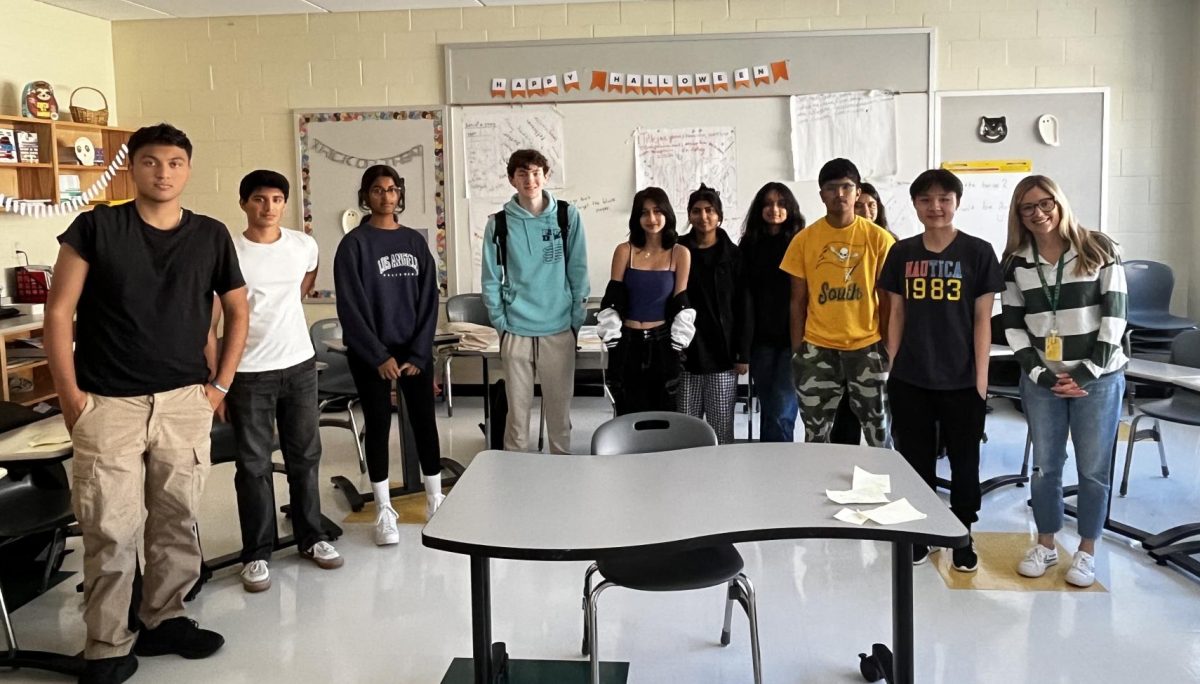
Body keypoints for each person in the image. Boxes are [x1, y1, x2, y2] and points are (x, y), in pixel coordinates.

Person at [45, 123, 247, 684]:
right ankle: (106, 644)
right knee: (111, 527)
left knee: (177, 520)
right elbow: (59, 312)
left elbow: (236, 309)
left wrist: (220, 385)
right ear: (132, 167)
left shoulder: (210, 235)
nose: (163, 173)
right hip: (109, 402)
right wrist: (70, 397)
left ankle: (164, 617)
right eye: (152, 162)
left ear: (188, 169)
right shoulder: (95, 227)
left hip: (184, 400)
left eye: (175, 163)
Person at [220, 169, 342, 594]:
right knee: (252, 465)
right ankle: (256, 553)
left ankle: (312, 537)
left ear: (284, 203)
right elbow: (213, 312)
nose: (267, 206)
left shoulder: (302, 245)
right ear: (243, 203)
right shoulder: (229, 250)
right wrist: (217, 378)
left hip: (299, 366)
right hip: (248, 372)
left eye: (275, 199)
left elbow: (307, 278)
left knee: (305, 456)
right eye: (258, 199)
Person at [1003, 175, 1127, 588]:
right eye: (1027, 208)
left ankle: (1087, 551)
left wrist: (1086, 372)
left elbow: (1115, 317)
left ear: (1059, 202)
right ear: (1018, 215)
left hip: (1098, 379)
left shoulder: (1097, 248)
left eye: (1045, 204)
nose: (1038, 214)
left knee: (1093, 470)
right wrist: (1039, 372)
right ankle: (1046, 544)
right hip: (1043, 381)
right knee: (1045, 467)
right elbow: (1015, 326)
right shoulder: (1017, 261)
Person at [879, 169, 1004, 571]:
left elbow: (983, 319)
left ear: (956, 202)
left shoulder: (978, 252)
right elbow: (895, 313)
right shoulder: (901, 252)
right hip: (911, 377)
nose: (935, 207)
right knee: (915, 461)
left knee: (966, 462)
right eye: (926, 200)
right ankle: (922, 532)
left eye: (944, 199)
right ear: (915, 205)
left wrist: (981, 380)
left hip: (963, 378)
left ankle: (962, 533)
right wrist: (892, 364)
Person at [334, 165, 442, 546]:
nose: (386, 196)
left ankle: (435, 499)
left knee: (425, 425)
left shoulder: (414, 242)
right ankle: (383, 508)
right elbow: (351, 307)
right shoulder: (354, 245)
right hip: (372, 355)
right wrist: (378, 355)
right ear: (366, 195)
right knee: (378, 426)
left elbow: (430, 300)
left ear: (400, 195)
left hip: (413, 351)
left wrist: (418, 351)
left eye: (392, 189)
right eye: (377, 190)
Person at [781, 158, 895, 447]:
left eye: (847, 187)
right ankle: (817, 486)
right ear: (821, 195)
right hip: (817, 349)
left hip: (867, 347)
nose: (840, 194)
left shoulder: (879, 239)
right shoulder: (804, 240)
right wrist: (799, 351)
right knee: (816, 433)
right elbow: (797, 301)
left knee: (878, 432)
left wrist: (887, 348)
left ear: (858, 193)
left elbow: (888, 300)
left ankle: (883, 488)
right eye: (831, 188)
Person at [481, 149, 589, 453]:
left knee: (559, 418)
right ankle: (518, 486)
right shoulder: (499, 224)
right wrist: (502, 325)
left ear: (546, 175)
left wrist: (574, 323)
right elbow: (490, 279)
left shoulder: (567, 216)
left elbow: (579, 272)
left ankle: (562, 481)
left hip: (558, 329)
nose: (530, 179)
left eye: (536, 172)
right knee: (517, 420)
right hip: (516, 330)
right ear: (512, 179)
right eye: (522, 174)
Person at [595, 187, 694, 414]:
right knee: (627, 409)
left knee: (664, 410)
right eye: (644, 212)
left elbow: (681, 300)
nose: (651, 219)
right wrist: (611, 335)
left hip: (663, 342)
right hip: (627, 342)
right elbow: (613, 298)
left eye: (657, 211)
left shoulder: (680, 253)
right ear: (636, 217)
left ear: (667, 214)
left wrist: (678, 343)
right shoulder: (624, 251)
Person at [677, 184, 749, 444]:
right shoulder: (677, 250)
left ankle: (722, 476)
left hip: (722, 354)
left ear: (720, 216)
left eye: (709, 210)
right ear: (689, 215)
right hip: (687, 353)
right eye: (696, 211)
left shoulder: (734, 256)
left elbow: (744, 307)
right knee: (686, 426)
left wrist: (743, 353)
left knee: (721, 428)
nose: (703, 216)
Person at [739, 182, 803, 442]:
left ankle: (778, 467)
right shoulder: (749, 244)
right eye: (767, 204)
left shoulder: (801, 241)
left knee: (782, 410)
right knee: (770, 407)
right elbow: (744, 296)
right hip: (761, 341)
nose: (774, 209)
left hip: (795, 339)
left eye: (780, 203)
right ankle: (768, 466)